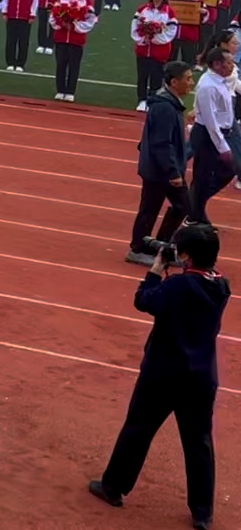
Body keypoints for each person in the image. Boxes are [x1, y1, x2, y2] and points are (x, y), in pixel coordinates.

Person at [89, 222, 227, 528]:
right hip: (201, 376)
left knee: (138, 429)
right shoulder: (221, 285)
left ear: (187, 256)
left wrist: (155, 270)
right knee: (198, 442)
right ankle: (202, 512)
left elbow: (144, 300)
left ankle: (114, 487)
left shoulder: (178, 286)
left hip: (163, 373)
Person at [129, 61, 194, 265]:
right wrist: (173, 172)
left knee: (166, 206)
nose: (191, 83)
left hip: (160, 167)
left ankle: (157, 247)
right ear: (174, 82)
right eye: (188, 78)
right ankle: (140, 248)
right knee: (166, 206)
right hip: (160, 170)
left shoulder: (167, 103)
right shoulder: (165, 107)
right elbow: (162, 143)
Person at [187, 47, 237, 225]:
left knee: (225, 171)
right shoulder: (208, 86)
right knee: (204, 176)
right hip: (208, 136)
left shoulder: (220, 81)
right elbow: (210, 120)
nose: (232, 66)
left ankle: (194, 207)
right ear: (217, 64)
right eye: (229, 62)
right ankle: (195, 213)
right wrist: (222, 146)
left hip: (219, 134)